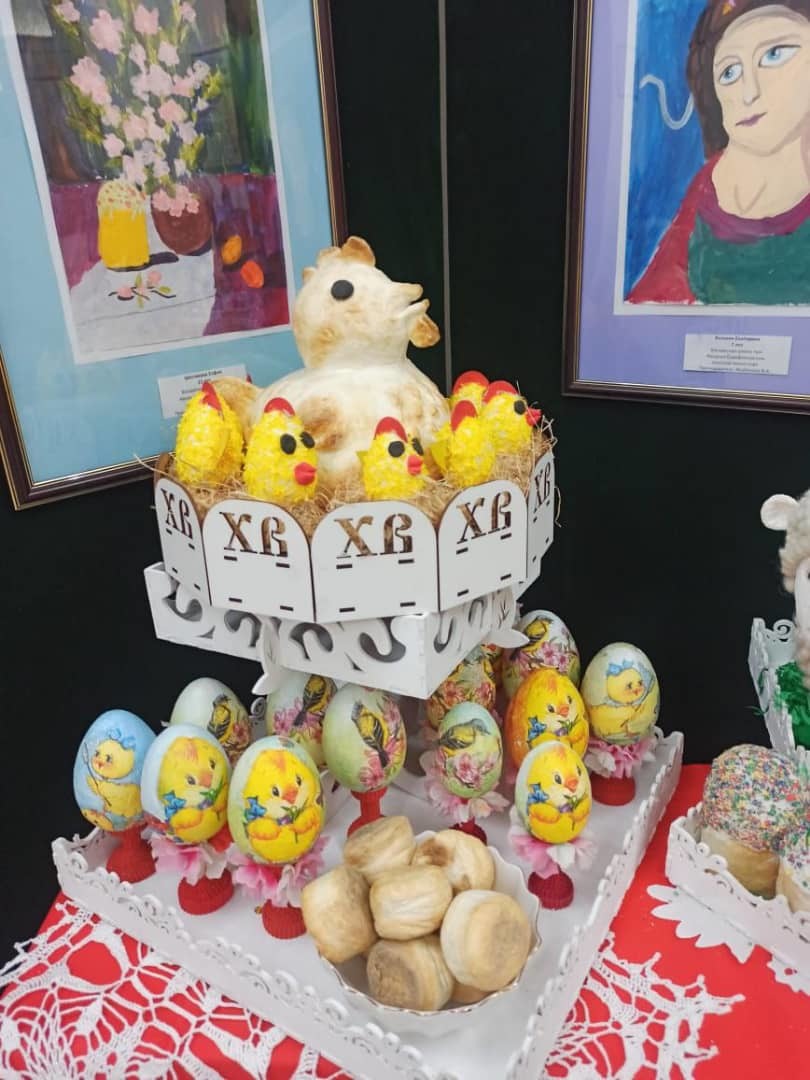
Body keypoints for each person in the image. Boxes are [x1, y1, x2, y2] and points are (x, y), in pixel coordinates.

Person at [629, 0, 810, 305]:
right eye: (729, 72)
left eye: (774, 54)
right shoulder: (707, 189)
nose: (749, 92)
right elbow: (651, 307)